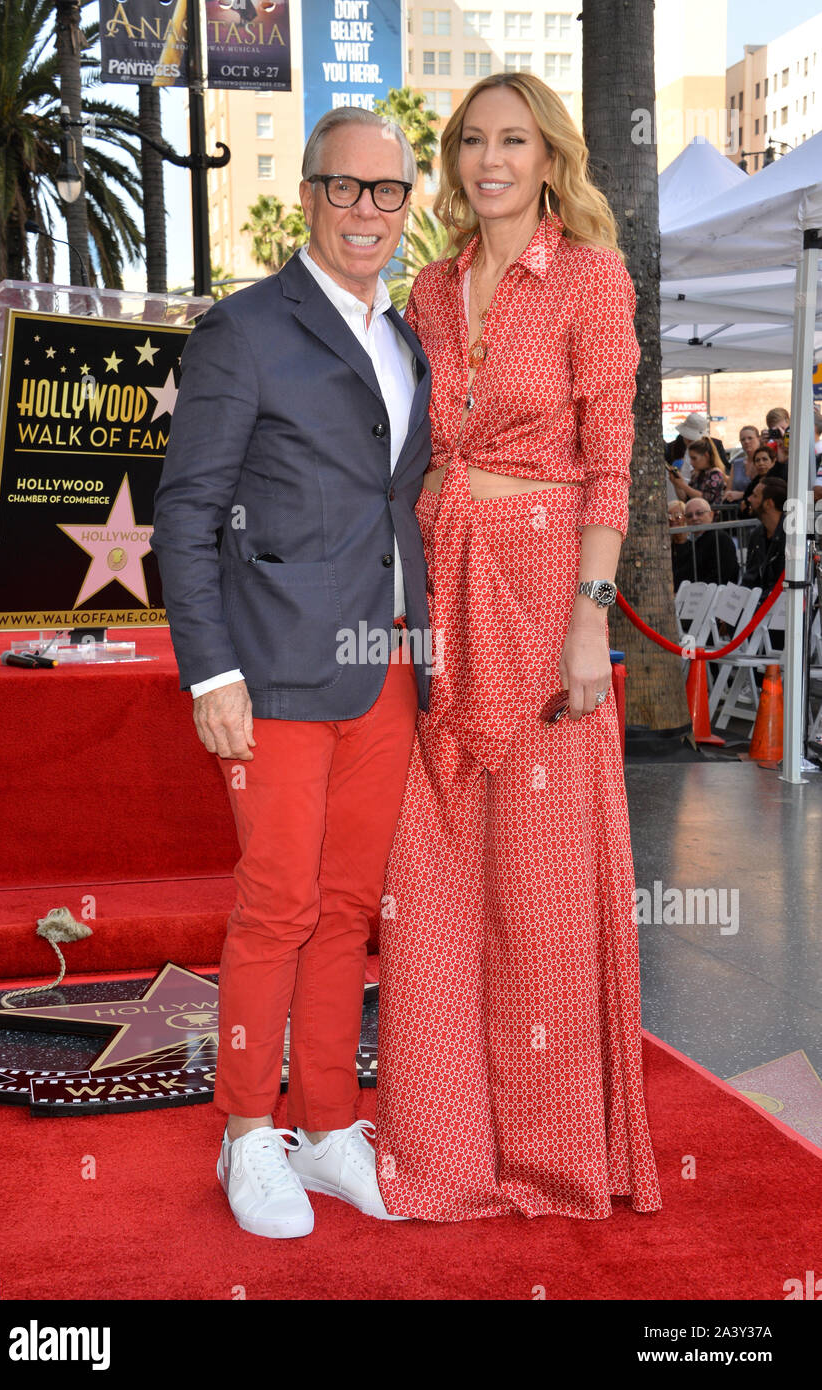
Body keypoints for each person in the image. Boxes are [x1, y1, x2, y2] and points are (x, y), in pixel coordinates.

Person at [374, 71, 662, 1222]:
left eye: (513, 140)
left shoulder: (590, 278)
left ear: (549, 159)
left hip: (548, 593)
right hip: (441, 588)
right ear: (451, 161)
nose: (489, 159)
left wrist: (591, 611)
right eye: (471, 142)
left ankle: (550, 1154)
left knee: (540, 890)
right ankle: (444, 1147)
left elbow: (610, 459)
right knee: (430, 878)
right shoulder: (430, 291)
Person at [151, 108, 433, 1239]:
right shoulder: (244, 330)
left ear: (406, 207)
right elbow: (184, 510)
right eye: (345, 188)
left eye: (387, 192)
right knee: (275, 906)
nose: (366, 211)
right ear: (309, 195)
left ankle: (322, 1130)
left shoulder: (405, 336)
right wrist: (206, 670)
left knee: (347, 910)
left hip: (385, 669)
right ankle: (243, 1135)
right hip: (268, 670)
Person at [673, 497, 738, 588]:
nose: (694, 518)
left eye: (699, 513)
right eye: (689, 516)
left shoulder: (720, 539)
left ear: (711, 515)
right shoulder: (690, 542)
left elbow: (724, 574)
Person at [743, 476, 787, 600]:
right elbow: (749, 578)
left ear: (768, 504)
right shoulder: (756, 535)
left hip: (778, 609)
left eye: (755, 496)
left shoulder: (791, 537)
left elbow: (782, 584)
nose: (749, 499)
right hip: (755, 604)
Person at [668, 436, 727, 512]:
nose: (691, 463)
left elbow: (705, 499)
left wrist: (683, 485)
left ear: (706, 456)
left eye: (694, 458)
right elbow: (686, 499)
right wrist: (677, 484)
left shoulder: (716, 474)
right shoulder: (695, 474)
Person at [739, 444, 785, 516]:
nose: (761, 463)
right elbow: (744, 504)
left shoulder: (779, 481)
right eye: (757, 460)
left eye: (765, 459)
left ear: (773, 461)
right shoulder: (753, 483)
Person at [724, 424, 760, 499]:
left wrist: (741, 495)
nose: (746, 442)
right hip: (736, 507)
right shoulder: (736, 463)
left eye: (750, 438)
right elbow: (728, 490)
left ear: (758, 439)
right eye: (743, 439)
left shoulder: (764, 462)